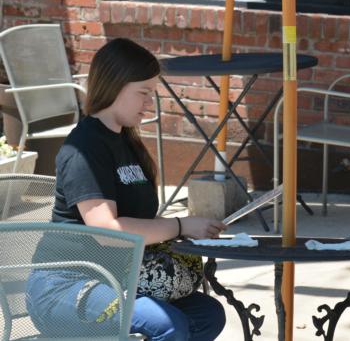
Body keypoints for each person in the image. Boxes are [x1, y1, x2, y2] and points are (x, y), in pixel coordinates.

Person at [26, 38, 227, 341]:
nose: (150, 103)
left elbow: (140, 223)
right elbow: (107, 231)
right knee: (167, 325)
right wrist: (180, 225)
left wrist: (189, 230)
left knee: (207, 314)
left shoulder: (125, 143)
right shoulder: (84, 148)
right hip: (65, 287)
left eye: (152, 94)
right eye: (143, 93)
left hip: (117, 278)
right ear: (114, 85)